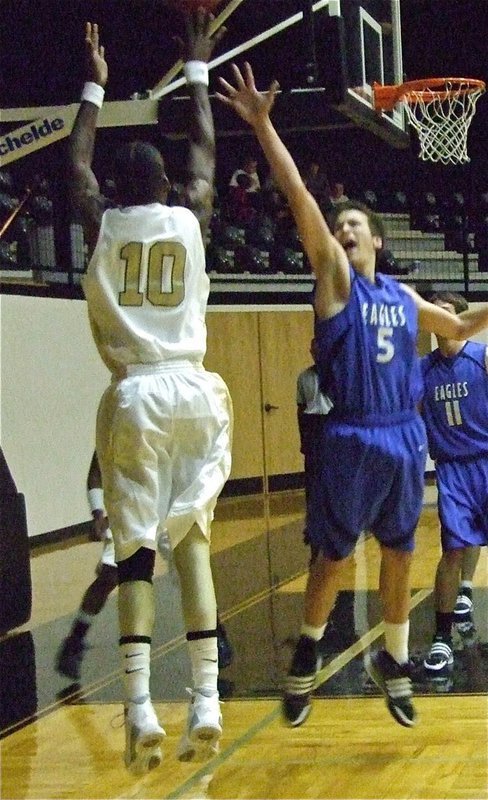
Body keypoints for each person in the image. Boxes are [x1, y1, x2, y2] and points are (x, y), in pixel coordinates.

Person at [216, 62, 488, 730]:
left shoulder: (400, 295)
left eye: (356, 225)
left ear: (378, 239)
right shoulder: (337, 284)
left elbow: (455, 326)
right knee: (333, 558)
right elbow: (305, 207)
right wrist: (264, 125)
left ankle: (392, 658)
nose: (344, 231)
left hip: (403, 437)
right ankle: (308, 649)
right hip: (353, 435)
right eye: (341, 226)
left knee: (401, 552)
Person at [68, 14, 232, 774]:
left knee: (135, 557)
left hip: (135, 394)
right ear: (167, 187)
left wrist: (94, 85)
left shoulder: (102, 224)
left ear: (116, 190)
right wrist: (195, 70)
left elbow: (75, 168)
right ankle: (207, 701)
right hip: (195, 389)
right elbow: (204, 150)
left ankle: (138, 710)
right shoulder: (190, 216)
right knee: (192, 543)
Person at [56, 452, 234, 683]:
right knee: (111, 575)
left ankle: (215, 634)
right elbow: (96, 470)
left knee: (191, 573)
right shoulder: (120, 417)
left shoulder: (173, 423)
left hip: (172, 504)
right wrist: (98, 512)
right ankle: (74, 641)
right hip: (133, 505)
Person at [420, 291, 487, 678]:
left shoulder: (481, 358)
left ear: (459, 318)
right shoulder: (421, 369)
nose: (436, 319)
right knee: (452, 549)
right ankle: (442, 639)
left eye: (443, 313)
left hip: (487, 460)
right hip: (451, 470)